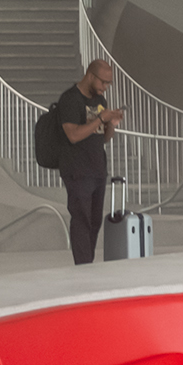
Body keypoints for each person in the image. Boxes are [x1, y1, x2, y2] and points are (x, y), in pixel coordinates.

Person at [54, 57, 125, 265]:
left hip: (97, 168)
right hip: (77, 169)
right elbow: (73, 135)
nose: (105, 87)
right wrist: (101, 119)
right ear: (90, 76)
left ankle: (88, 263)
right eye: (103, 82)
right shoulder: (70, 99)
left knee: (94, 221)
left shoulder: (100, 102)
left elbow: (103, 137)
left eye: (108, 84)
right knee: (82, 219)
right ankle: (83, 266)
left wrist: (111, 123)